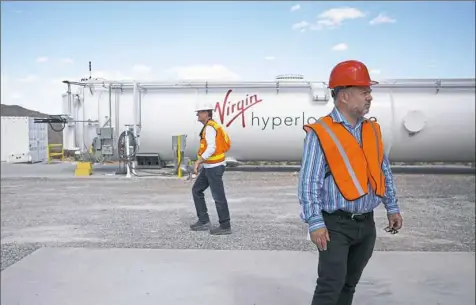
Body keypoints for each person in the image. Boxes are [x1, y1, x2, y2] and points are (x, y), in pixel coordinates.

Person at [298, 60, 403, 305]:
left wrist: (392, 207)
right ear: (344, 95)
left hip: (366, 225)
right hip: (335, 226)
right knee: (329, 287)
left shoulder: (372, 130)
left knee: (349, 285)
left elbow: (383, 171)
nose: (370, 98)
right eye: (364, 92)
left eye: (370, 92)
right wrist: (315, 222)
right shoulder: (320, 132)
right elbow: (309, 182)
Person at [189, 102, 232, 235]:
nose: (197, 115)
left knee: (218, 196)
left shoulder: (210, 128)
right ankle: (204, 220)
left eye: (199, 112)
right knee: (197, 190)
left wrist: (198, 162)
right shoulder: (210, 126)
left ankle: (225, 226)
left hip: (214, 167)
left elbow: (212, 148)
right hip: (210, 166)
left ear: (206, 114)